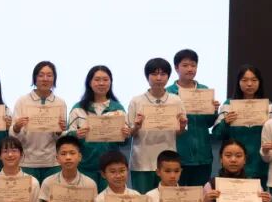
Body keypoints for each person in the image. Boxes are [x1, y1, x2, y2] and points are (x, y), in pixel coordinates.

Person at [127, 58, 188, 193]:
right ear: (147, 76)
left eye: (163, 74)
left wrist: (182, 127)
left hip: (168, 162)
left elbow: (179, 132)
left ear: (168, 76)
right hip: (142, 161)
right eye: (154, 74)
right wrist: (136, 126)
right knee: (143, 200)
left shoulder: (176, 100)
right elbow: (129, 133)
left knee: (167, 200)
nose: (159, 78)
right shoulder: (136, 101)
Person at [66, 65, 131, 188]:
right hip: (85, 166)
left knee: (109, 199)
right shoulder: (78, 109)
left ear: (110, 82)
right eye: (97, 79)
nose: (101, 83)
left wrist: (126, 135)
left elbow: (124, 143)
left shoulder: (118, 109)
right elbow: (68, 137)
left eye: (105, 80)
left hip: (111, 168)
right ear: (89, 82)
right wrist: (76, 134)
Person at [211, 65, 272, 186]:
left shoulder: (268, 106)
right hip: (233, 167)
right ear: (238, 82)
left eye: (254, 80)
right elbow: (216, 134)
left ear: (260, 82)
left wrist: (269, 125)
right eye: (244, 80)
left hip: (259, 166)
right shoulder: (228, 105)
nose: (249, 84)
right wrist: (225, 122)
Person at [167, 49, 219, 187]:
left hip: (203, 155)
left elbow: (209, 123)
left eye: (193, 65)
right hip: (178, 155)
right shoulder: (169, 93)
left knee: (200, 195)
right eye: (185, 65)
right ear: (176, 68)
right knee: (177, 195)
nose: (190, 69)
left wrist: (214, 110)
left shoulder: (204, 90)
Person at [12, 61, 68, 182]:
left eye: (49, 75)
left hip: (52, 162)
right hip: (27, 162)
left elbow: (61, 137)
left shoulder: (60, 103)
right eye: (41, 75)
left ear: (54, 79)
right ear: (35, 78)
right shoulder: (22, 101)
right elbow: (13, 136)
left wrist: (60, 131)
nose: (45, 79)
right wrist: (16, 127)